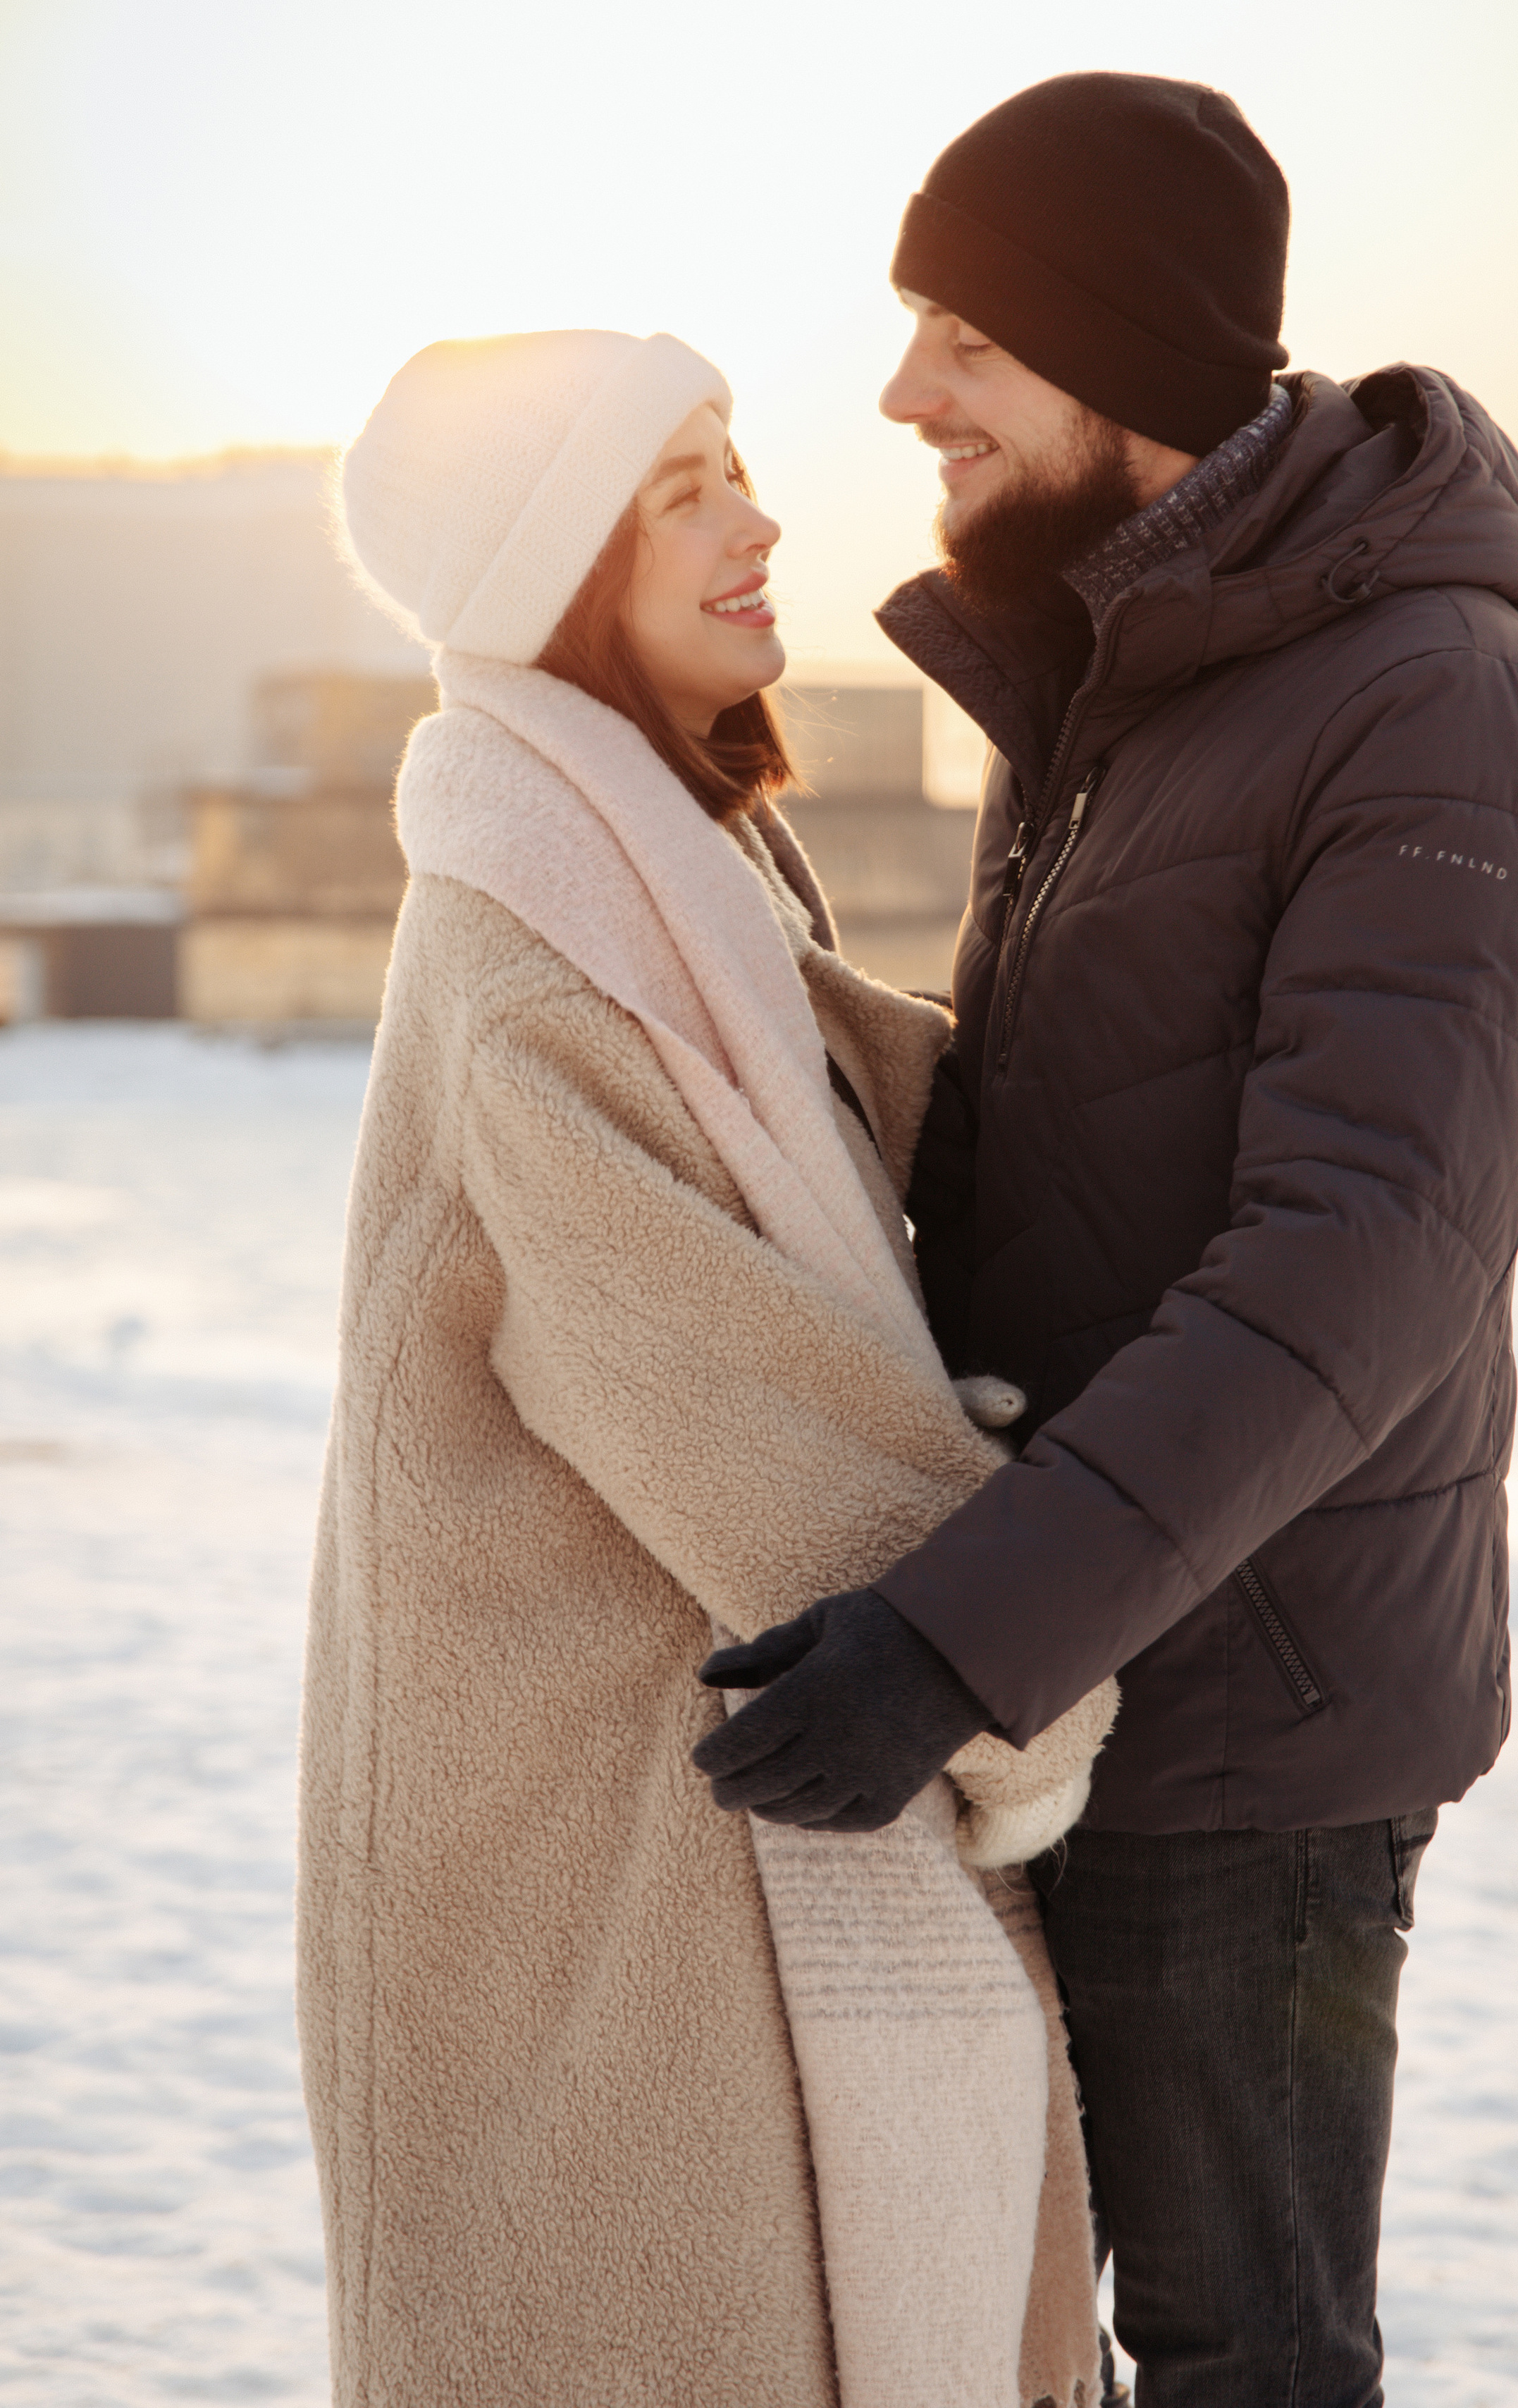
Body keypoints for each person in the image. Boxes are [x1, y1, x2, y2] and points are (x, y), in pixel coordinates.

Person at [703, 76, 1518, 2407]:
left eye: (966, 337)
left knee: (1242, 2359)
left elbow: (1360, 1268)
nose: (907, 392)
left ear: (1124, 356)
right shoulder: (1125, 682)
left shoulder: (1442, 712)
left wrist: (957, 1640)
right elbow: (1082, 1150)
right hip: (1070, 1674)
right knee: (995, 2337)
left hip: (1248, 1726)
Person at [297, 326, 1116, 2408]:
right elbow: (751, 1423)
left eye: (737, 464)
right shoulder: (539, 958)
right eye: (681, 487)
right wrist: (1046, 1668)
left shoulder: (673, 877)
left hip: (667, 1827)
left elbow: (873, 1130)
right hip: (613, 1878)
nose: (762, 522)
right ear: (551, 562)